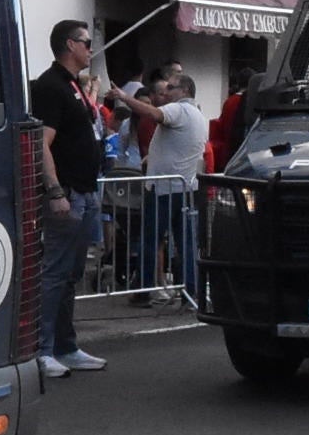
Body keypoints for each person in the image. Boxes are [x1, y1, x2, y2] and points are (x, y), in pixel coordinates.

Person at [27, 21, 108, 378]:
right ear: (68, 45)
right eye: (86, 42)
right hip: (69, 192)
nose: (91, 48)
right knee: (56, 271)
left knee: (72, 273)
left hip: (85, 190)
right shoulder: (51, 86)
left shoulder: (73, 85)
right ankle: (42, 350)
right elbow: (42, 143)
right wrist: (55, 190)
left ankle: (66, 345)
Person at [122, 66, 208, 307]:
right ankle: (191, 293)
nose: (165, 92)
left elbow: (153, 114)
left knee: (151, 239)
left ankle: (144, 291)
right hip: (186, 187)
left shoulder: (178, 110)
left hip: (164, 189)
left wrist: (125, 98)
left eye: (171, 87)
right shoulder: (198, 115)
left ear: (185, 90)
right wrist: (155, 156)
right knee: (186, 243)